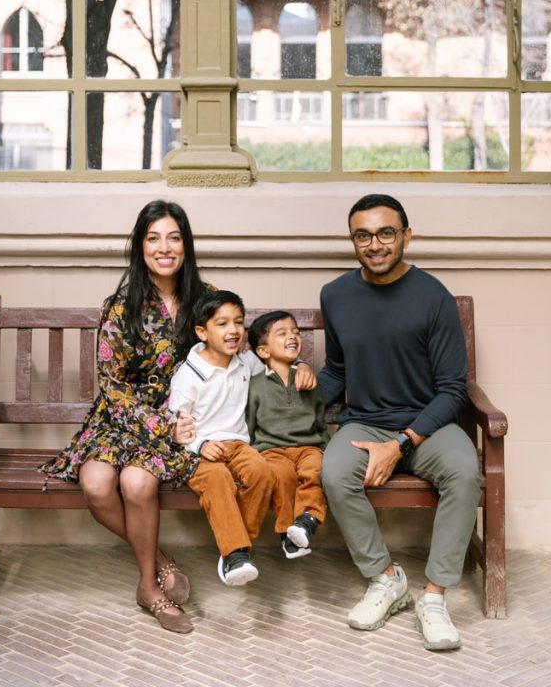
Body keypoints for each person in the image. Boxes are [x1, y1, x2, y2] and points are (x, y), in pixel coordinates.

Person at [317, 193, 482, 652]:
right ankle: (385, 578)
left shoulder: (433, 297)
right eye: (363, 235)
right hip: (365, 422)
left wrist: (402, 443)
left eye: (386, 233)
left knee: (465, 472)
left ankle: (433, 597)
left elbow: (453, 388)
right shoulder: (335, 295)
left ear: (406, 235)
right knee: (333, 472)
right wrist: (287, 402)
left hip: (425, 424)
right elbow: (337, 370)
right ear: (353, 240)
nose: (375, 244)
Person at [40, 199, 211, 635]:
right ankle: (159, 561)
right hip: (122, 418)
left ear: (186, 245)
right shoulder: (120, 307)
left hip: (180, 421)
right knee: (96, 485)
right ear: (139, 247)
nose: (164, 247)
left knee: (137, 482)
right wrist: (159, 426)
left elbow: (231, 358)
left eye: (174, 237)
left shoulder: (207, 304)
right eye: (153, 238)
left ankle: (148, 589)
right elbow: (113, 386)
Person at [168, 290, 317, 586]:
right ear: (202, 332)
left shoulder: (245, 363)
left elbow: (277, 360)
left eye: (238, 322)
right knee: (218, 479)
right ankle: (235, 551)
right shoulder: (189, 374)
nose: (233, 330)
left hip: (239, 445)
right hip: (199, 451)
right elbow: (176, 425)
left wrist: (302, 365)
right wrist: (200, 445)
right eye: (222, 324)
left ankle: (234, 549)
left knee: (262, 472)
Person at [246, 310, 329, 559]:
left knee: (315, 470)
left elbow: (319, 418)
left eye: (295, 332)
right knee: (281, 476)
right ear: (263, 351)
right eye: (282, 333)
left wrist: (327, 448)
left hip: (309, 447)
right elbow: (249, 423)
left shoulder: (306, 379)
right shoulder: (255, 385)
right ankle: (288, 535)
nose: (293, 336)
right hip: (271, 449)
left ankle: (307, 521)